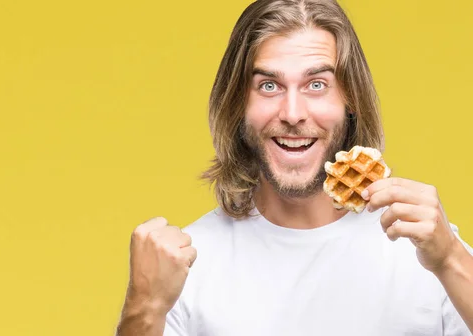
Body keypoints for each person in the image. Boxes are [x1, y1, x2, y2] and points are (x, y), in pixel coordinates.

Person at [116, 0, 473, 335]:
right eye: (268, 86)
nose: (292, 113)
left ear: (350, 101)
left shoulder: (428, 249)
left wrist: (452, 260)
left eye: (317, 85)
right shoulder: (185, 268)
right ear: (238, 105)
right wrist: (144, 306)